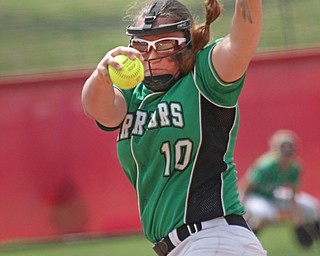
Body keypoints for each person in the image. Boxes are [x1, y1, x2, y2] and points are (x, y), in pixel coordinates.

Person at [82, 0, 266, 255]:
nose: (152, 55)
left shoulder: (204, 76)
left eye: (164, 44)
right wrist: (101, 74)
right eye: (142, 46)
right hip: (183, 246)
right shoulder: (133, 93)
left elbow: (241, 41)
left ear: (185, 44)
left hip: (213, 238)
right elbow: (97, 110)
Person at [240, 130, 320, 248]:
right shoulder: (265, 165)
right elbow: (246, 187)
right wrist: (242, 209)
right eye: (284, 149)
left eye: (290, 149)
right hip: (255, 195)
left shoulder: (294, 167)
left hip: (272, 194)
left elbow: (293, 195)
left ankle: (315, 234)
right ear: (275, 149)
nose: (287, 153)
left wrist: (298, 219)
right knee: (265, 215)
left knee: (312, 206)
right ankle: (246, 238)